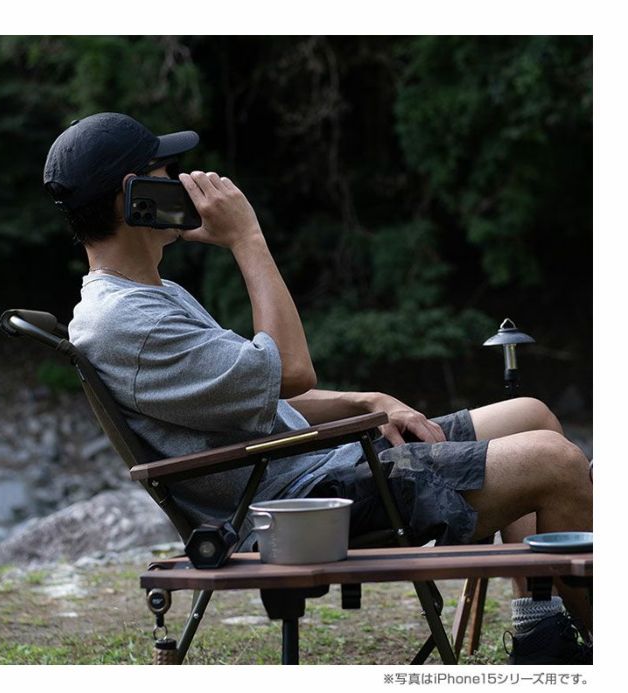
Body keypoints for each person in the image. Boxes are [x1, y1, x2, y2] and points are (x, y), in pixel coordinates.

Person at [44, 112, 593, 664]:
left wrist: (367, 402)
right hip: (298, 504)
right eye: (168, 171)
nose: (185, 182)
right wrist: (247, 239)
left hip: (319, 467)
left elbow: (254, 391)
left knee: (530, 415)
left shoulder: (146, 298)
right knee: (556, 461)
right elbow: (291, 371)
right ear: (132, 195)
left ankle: (539, 632)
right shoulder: (130, 323)